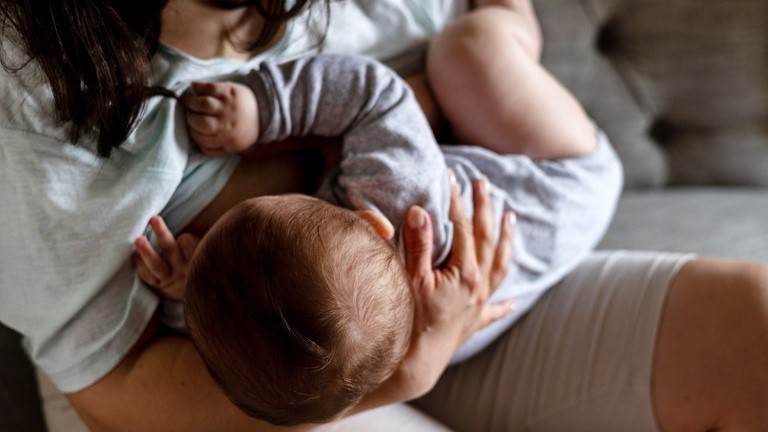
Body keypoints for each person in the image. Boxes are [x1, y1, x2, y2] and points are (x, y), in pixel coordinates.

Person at [1, 1, 767, 432]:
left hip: (471, 307)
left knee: (752, 329)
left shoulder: (386, 206)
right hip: (230, 395)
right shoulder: (27, 82)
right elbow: (116, 383)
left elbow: (418, 74)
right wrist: (405, 370)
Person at [131, 45, 617, 424]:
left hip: (517, 253)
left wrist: (184, 290)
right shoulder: (395, 195)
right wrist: (264, 109)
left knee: (464, 61)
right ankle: (506, 18)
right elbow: (374, 96)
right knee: (466, 54)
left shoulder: (352, 363)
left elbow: (241, 326)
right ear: (370, 221)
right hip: (564, 180)